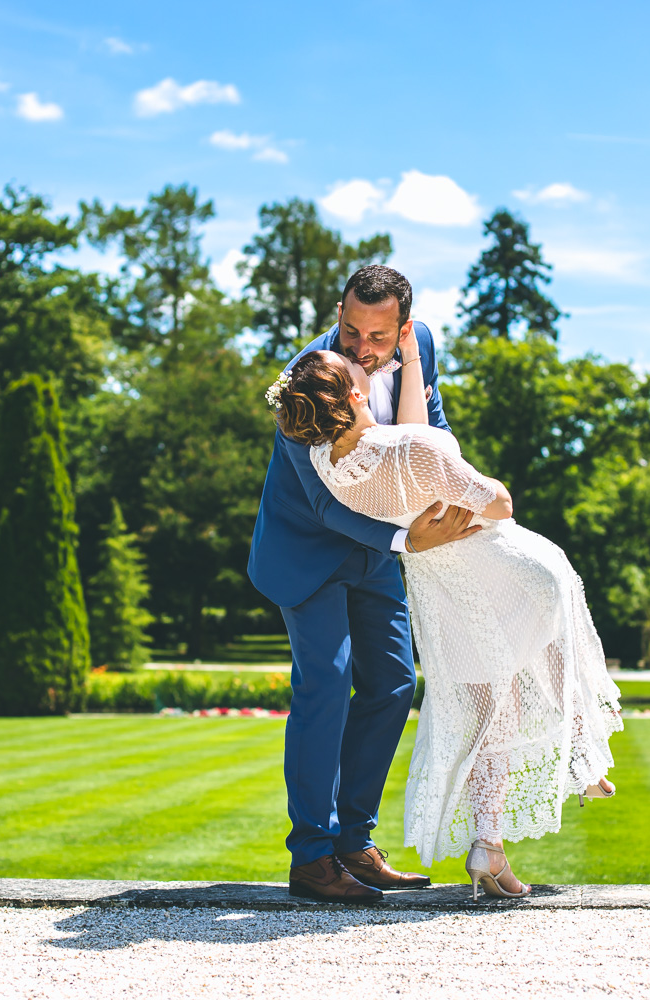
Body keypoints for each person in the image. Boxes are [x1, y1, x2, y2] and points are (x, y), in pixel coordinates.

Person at [271, 347, 623, 900]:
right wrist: (476, 481)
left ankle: (490, 842)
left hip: (444, 589)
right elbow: (500, 503)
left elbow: (399, 452)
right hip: (505, 566)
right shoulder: (417, 444)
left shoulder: (327, 464)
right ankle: (579, 752)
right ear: (357, 396)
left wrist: (411, 360)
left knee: (492, 711)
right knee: (553, 652)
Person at [248, 265, 474, 902]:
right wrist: (408, 540)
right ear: (338, 314)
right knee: (328, 679)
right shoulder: (306, 378)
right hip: (309, 548)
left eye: (378, 337)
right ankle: (313, 859)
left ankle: (354, 841)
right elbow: (322, 505)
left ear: (402, 327)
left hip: (374, 546)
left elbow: (434, 428)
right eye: (351, 330)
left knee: (394, 682)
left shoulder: (420, 345)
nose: (361, 349)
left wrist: (455, 491)